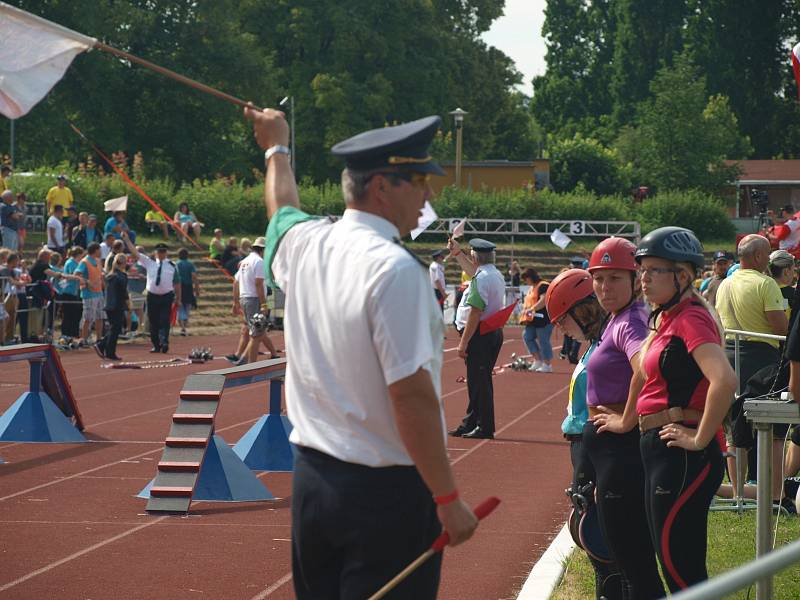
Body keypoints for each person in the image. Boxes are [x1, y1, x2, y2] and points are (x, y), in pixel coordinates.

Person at [245, 107, 478, 598]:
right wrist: (448, 498)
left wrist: (276, 148)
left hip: (312, 483)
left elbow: (281, 209)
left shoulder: (308, 243)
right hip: (384, 497)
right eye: (419, 179)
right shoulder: (396, 272)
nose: (429, 194)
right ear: (382, 187)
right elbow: (412, 398)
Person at [631, 226, 736, 592]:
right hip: (661, 450)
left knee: (682, 571)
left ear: (682, 275)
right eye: (641, 269)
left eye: (653, 270)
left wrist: (700, 438)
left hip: (683, 456)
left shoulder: (690, 318)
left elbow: (724, 380)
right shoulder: (667, 319)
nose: (643, 278)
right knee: (673, 564)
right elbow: (644, 378)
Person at [571, 236, 664, 599]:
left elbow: (645, 367)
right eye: (598, 278)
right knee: (628, 563)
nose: (604, 287)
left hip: (622, 455)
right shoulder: (618, 318)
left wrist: (626, 419)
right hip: (612, 456)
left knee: (634, 565)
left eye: (614, 278)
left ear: (633, 279)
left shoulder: (630, 322)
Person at [546, 269, 625, 600]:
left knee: (608, 554)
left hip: (599, 453)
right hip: (586, 451)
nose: (559, 327)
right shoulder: (595, 345)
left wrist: (598, 474)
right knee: (598, 549)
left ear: (584, 310)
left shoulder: (608, 347)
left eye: (563, 318)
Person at [715, 234, 788, 499]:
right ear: (757, 257)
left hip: (730, 356)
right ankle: (777, 494)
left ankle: (736, 493)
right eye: (767, 255)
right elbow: (780, 327)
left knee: (734, 429)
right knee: (775, 429)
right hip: (761, 358)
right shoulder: (766, 283)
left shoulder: (724, 284)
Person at [448, 238, 506, 439]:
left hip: (480, 335)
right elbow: (474, 271)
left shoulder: (482, 278)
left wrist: (463, 343)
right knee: (476, 382)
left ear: (475, 256)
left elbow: (475, 312)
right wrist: (457, 254)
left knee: (480, 383)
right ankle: (471, 422)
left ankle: (485, 427)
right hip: (488, 333)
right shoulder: (492, 274)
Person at [122, 234, 181, 353]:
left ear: (166, 253)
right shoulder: (149, 262)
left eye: (163, 252)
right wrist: (127, 240)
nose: (161, 254)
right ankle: (156, 344)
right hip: (152, 296)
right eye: (159, 251)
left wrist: (178, 298)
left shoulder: (172, 266)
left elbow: (177, 283)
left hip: (166, 296)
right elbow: (135, 253)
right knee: (153, 321)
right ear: (155, 252)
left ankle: (164, 342)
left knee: (164, 320)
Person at [231, 237, 277, 363]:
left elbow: (236, 282)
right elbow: (258, 284)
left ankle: (245, 358)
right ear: (263, 250)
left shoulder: (245, 261)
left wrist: (235, 302)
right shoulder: (259, 262)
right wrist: (263, 304)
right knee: (257, 333)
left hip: (244, 298)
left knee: (256, 331)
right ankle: (250, 363)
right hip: (254, 299)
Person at [95, 253, 129, 361]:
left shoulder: (110, 275)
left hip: (109, 305)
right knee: (115, 329)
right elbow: (124, 292)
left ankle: (105, 348)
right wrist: (128, 303)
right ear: (123, 263)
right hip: (117, 305)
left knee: (114, 328)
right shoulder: (122, 276)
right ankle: (106, 349)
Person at [519, 268, 553, 373]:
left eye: (526, 279)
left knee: (543, 340)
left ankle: (547, 364)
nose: (525, 281)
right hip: (532, 320)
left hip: (543, 319)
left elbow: (543, 300)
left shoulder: (543, 285)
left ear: (530, 277)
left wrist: (532, 309)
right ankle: (537, 360)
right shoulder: (531, 288)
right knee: (527, 336)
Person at [75, 242, 106, 345]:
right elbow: (76, 274)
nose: (101, 251)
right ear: (95, 250)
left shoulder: (97, 261)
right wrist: (87, 282)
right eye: (99, 249)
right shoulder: (84, 262)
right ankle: (83, 339)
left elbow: (100, 275)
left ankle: (99, 338)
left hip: (99, 293)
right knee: (88, 318)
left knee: (100, 316)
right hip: (89, 294)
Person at [59, 246, 85, 341]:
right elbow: (69, 276)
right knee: (68, 314)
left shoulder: (77, 263)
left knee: (76, 313)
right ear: (78, 254)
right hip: (68, 291)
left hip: (74, 292)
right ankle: (66, 333)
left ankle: (73, 333)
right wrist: (78, 277)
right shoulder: (70, 262)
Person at [176, 247, 199, 335]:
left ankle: (182, 327)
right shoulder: (190, 264)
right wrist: (197, 289)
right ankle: (184, 326)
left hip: (179, 287)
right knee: (187, 306)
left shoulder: (176, 264)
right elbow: (194, 277)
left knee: (180, 306)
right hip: (188, 287)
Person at [768, 249, 795, 322]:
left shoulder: (764, 289)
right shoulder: (792, 294)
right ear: (786, 272)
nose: (794, 275)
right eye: (793, 270)